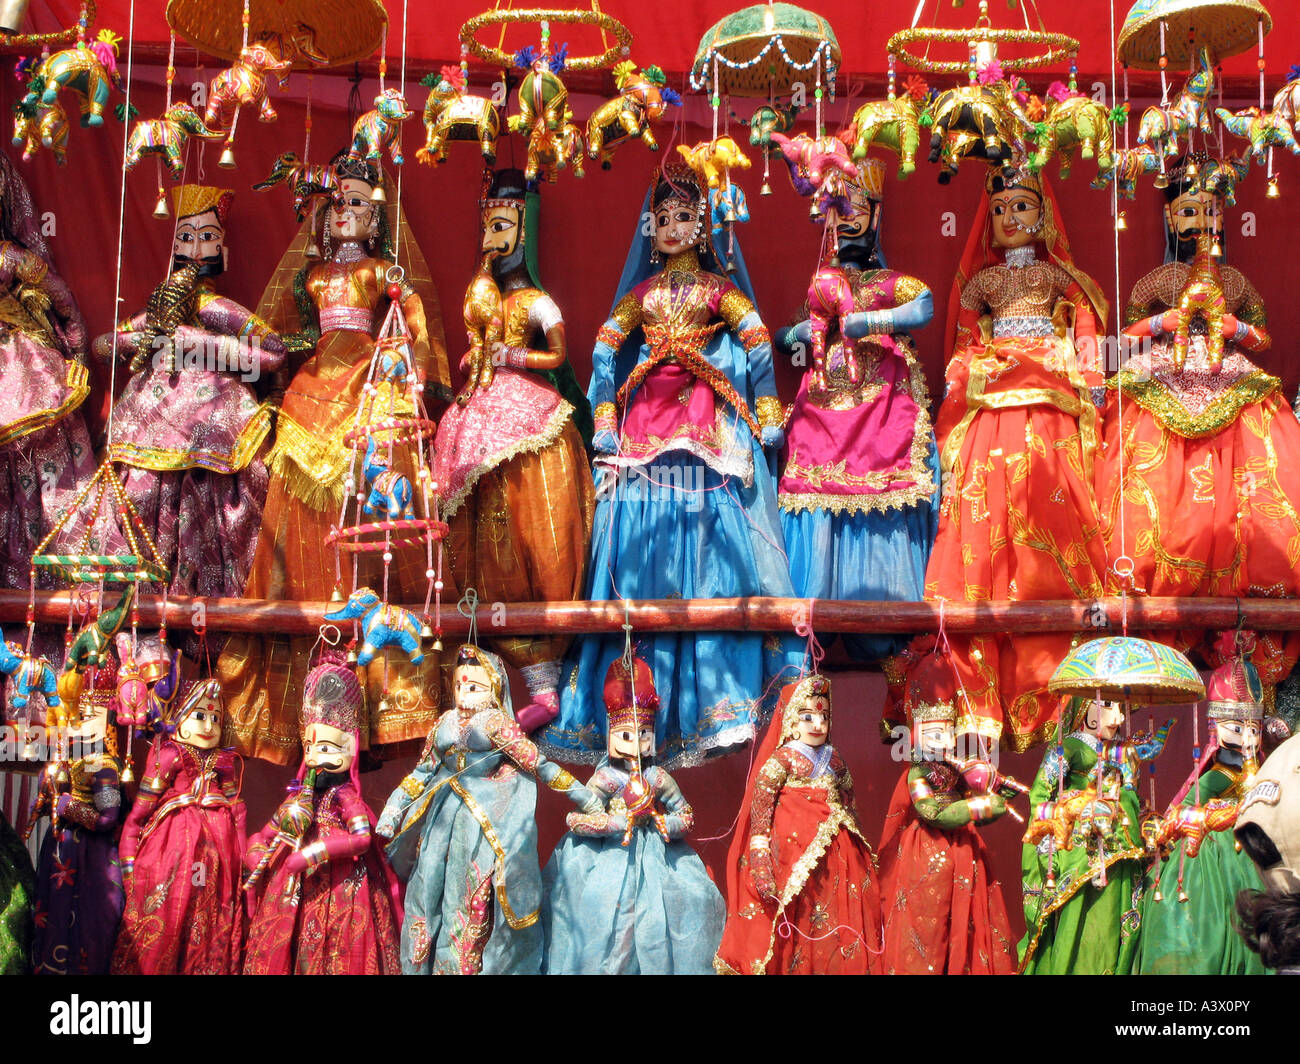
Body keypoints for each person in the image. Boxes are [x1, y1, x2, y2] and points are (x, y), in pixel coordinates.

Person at [545, 161, 800, 769]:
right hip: (644, 414)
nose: (673, 227)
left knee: (709, 535)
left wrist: (766, 412)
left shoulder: (719, 290)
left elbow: (759, 341)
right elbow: (604, 349)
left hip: (704, 412)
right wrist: (604, 420)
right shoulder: (640, 297)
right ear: (649, 226)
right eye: (663, 218)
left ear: (704, 225)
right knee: (634, 533)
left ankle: (713, 688)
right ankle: (637, 684)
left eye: (686, 216)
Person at [218, 152, 452, 762]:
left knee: (373, 513)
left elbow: (413, 327)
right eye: (338, 201)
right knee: (299, 520)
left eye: (357, 203)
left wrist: (410, 376)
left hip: (368, 385)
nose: (344, 211)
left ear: (376, 219)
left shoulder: (382, 274)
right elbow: (292, 333)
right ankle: (309, 688)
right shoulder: (315, 278)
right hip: (314, 383)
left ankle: (380, 697)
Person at [1098, 154, 1300, 685]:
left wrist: (1233, 327)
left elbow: (1263, 340)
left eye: (1211, 212)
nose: (1201, 223)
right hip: (1161, 377)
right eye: (1189, 212)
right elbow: (1124, 342)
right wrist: (1165, 319)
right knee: (1150, 491)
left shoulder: (1235, 280)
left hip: (1228, 378)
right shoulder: (1155, 280)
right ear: (1170, 220)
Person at [926, 169, 1109, 752]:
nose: (1008, 218)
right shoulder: (979, 285)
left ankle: (1059, 681)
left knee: (1051, 518)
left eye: (1021, 205)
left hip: (1050, 399)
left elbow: (1087, 339)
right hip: (993, 397)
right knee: (983, 523)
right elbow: (960, 351)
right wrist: (974, 368)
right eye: (998, 207)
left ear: (1045, 214)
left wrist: (1091, 381)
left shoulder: (1062, 278)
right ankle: (981, 686)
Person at [433, 170, 593, 731]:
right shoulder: (485, 294)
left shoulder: (537, 302)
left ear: (522, 230)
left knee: (537, 520)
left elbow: (557, 356)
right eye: (486, 227)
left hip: (529, 408)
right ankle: (489, 663)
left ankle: (545, 676)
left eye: (502, 226)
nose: (491, 239)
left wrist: (513, 359)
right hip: (478, 407)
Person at [776, 159, 939, 662]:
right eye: (835, 212)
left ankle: (889, 642)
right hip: (825, 408)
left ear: (875, 216)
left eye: (855, 210)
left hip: (881, 409)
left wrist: (870, 322)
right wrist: (802, 334)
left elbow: (925, 305)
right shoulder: (819, 288)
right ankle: (807, 658)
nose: (845, 220)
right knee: (816, 491)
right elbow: (783, 336)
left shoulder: (888, 281)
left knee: (882, 495)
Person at [377, 644, 600, 974]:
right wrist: (392, 811)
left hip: (483, 823)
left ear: (494, 689)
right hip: (442, 820)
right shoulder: (444, 723)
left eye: (475, 687)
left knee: (475, 896)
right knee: (429, 892)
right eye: (459, 685)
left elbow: (537, 763)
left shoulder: (497, 724)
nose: (465, 694)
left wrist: (586, 798)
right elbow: (421, 773)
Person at [543, 654, 724, 974]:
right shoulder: (606, 779)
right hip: (605, 859)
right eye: (625, 735)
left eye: (644, 735)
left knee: (681, 906)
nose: (635, 744)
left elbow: (686, 814)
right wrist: (614, 822)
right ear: (611, 733)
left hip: (657, 857)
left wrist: (661, 821)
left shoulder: (658, 778)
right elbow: (575, 819)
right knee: (601, 917)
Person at [243, 655, 402, 974]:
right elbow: (264, 834)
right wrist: (255, 852)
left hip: (343, 887)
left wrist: (312, 854)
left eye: (328, 749)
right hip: (291, 889)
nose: (316, 758)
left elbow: (360, 839)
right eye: (312, 749)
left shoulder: (346, 798)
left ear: (350, 751)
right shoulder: (298, 800)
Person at [715, 673, 883, 974]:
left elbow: (849, 803)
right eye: (808, 717)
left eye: (824, 716)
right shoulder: (782, 760)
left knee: (836, 919)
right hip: (791, 860)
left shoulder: (835, 760)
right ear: (792, 720)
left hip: (838, 859)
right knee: (797, 921)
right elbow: (761, 813)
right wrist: (760, 858)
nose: (817, 724)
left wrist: (859, 850)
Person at [877, 639, 1018, 974]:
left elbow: (970, 800)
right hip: (925, 854)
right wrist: (981, 809)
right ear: (915, 735)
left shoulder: (956, 769)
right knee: (929, 925)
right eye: (931, 733)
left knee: (966, 923)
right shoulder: (917, 772)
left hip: (964, 851)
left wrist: (997, 795)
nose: (940, 739)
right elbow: (932, 812)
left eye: (945, 732)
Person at [1137, 639, 1269, 974]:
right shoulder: (1220, 773)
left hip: (1249, 847)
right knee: (1210, 927)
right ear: (1216, 727)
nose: (1248, 740)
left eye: (1253, 730)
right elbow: (1188, 805)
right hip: (1213, 854)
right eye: (1236, 729)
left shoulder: (1259, 770)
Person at [1020, 696, 1168, 974]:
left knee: (1115, 923)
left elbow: (1130, 795)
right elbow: (1040, 797)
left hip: (1121, 850)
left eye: (1121, 709)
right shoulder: (1068, 747)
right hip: (1081, 855)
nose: (1118, 719)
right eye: (1107, 705)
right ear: (1084, 706)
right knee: (1083, 927)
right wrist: (1070, 809)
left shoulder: (1122, 751)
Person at [112, 675, 245, 974]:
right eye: (200, 716)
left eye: (215, 717)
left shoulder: (225, 761)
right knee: (168, 920)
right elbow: (137, 818)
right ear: (180, 721)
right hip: (168, 856)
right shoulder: (170, 755)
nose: (209, 726)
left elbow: (237, 810)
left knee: (207, 922)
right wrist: (130, 873)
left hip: (218, 864)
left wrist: (243, 861)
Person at [30, 660, 125, 975]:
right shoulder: (67, 756)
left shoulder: (105, 766)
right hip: (60, 847)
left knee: (87, 916)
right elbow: (47, 802)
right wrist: (47, 794)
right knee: (52, 910)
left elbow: (109, 817)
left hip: (90, 855)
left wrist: (68, 807)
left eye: (84, 717)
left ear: (104, 720)